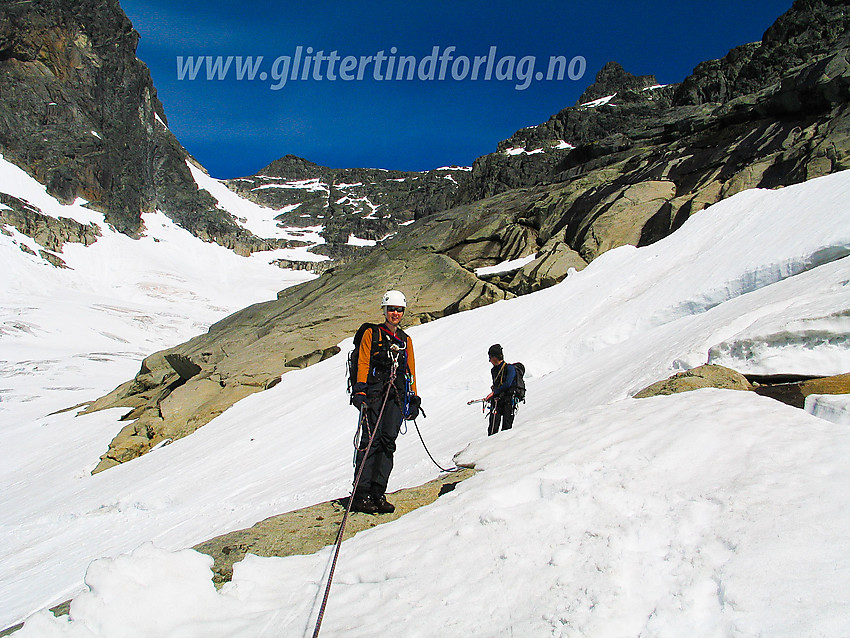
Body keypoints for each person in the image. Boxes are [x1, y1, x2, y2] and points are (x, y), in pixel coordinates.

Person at [349, 290, 418, 514]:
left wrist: (413, 397)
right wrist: (360, 391)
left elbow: (410, 371)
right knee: (371, 441)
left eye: (398, 310)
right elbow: (363, 362)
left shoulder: (406, 341)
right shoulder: (372, 333)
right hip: (374, 395)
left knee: (388, 442)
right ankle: (361, 494)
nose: (395, 313)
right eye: (391, 309)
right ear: (385, 311)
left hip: (395, 398)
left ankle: (378, 493)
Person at [484, 343, 516, 436]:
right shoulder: (494, 370)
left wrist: (494, 392)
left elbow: (508, 384)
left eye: (490, 357)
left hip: (507, 401)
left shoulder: (509, 368)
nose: (490, 360)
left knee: (506, 429)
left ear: (495, 357)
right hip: (498, 401)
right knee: (492, 430)